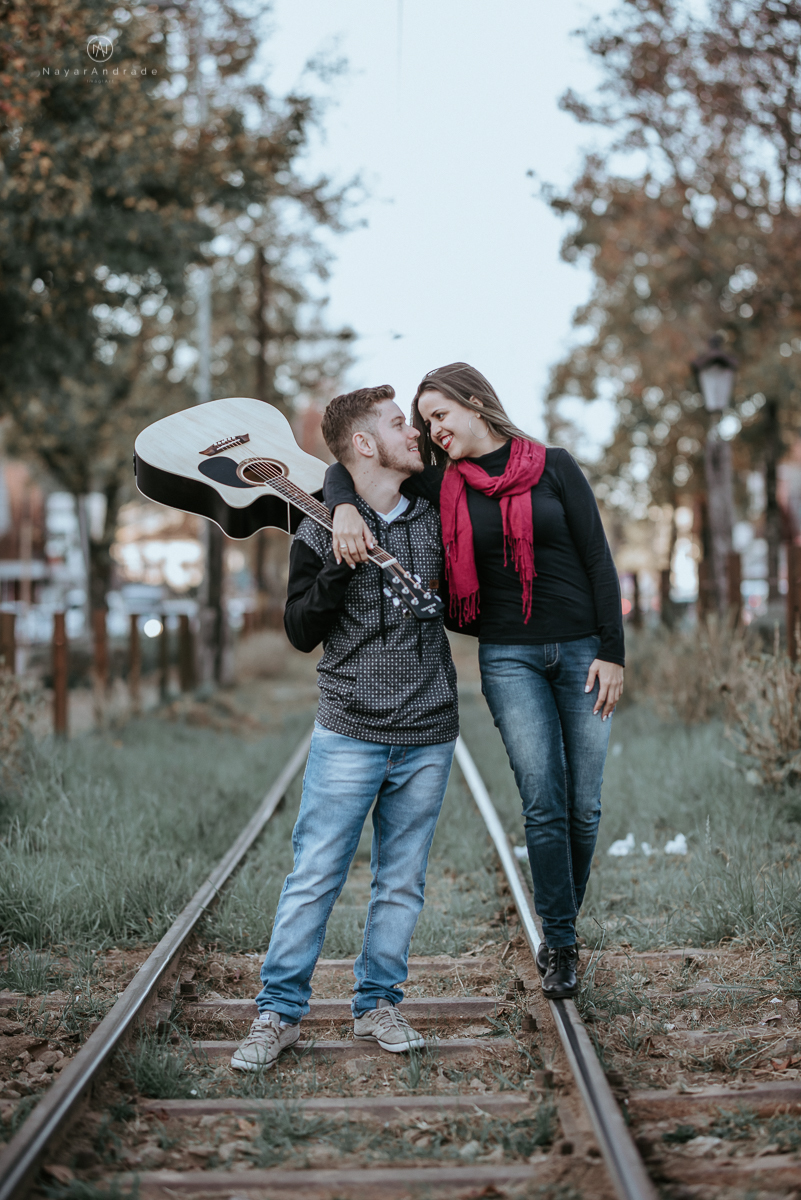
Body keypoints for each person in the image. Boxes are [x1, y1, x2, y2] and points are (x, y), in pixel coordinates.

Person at [324, 363, 624, 1000]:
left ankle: (561, 920)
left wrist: (612, 652)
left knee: (585, 807)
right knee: (543, 799)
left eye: (440, 414)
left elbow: (598, 559)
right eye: (424, 420)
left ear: (475, 404)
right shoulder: (443, 483)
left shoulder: (555, 466)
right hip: (509, 657)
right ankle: (561, 942)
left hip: (583, 653)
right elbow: (345, 470)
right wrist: (343, 506)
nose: (433, 430)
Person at [231, 384, 459, 1072]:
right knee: (315, 875)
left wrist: (343, 499)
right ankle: (278, 1013)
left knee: (401, 881)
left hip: (428, 730)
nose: (414, 431)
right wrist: (339, 544)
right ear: (364, 443)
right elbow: (300, 630)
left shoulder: (435, 512)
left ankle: (377, 1004)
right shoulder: (315, 527)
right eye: (397, 424)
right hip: (349, 729)